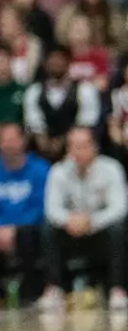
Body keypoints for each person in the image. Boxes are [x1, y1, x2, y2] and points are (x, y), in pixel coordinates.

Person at [39, 127, 128, 313]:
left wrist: (91, 221)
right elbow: (52, 209)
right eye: (73, 146)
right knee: (47, 228)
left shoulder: (111, 169)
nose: (77, 151)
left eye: (82, 146)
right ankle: (54, 289)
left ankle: (117, 290)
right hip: (70, 232)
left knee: (119, 228)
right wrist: (69, 220)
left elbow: (119, 207)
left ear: (94, 147)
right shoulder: (58, 171)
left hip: (100, 232)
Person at [0, 123, 49, 305]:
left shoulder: (40, 169)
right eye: (5, 140)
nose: (9, 145)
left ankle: (30, 291)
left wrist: (14, 229)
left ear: (23, 141)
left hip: (28, 226)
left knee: (32, 233)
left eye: (13, 139)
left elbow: (41, 206)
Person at [25, 46, 102, 160]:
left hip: (76, 151)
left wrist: (63, 141)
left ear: (69, 62)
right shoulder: (34, 91)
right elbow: (33, 119)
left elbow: (87, 122)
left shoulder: (85, 90)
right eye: (52, 60)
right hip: (42, 152)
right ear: (45, 64)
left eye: (60, 60)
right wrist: (42, 138)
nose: (56, 63)